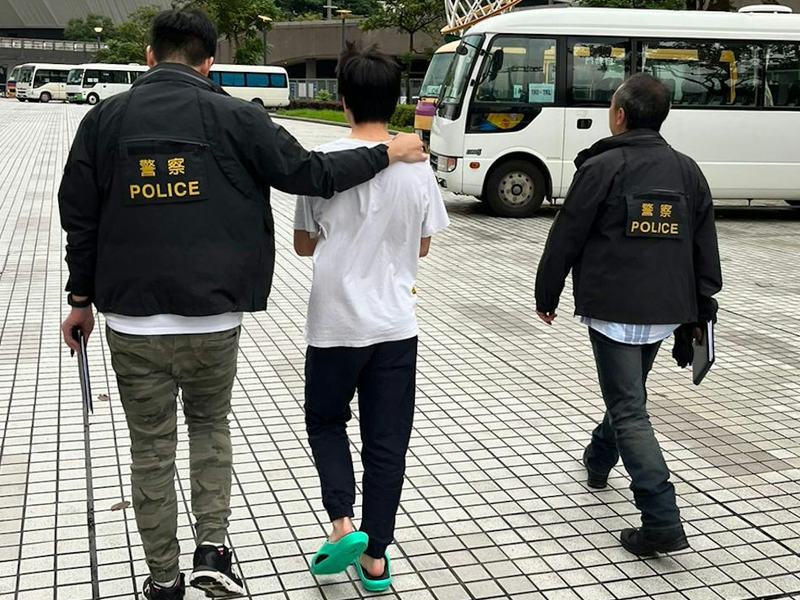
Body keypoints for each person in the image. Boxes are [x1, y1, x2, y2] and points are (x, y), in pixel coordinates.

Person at [58, 8, 426, 600]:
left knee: (150, 447)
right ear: (209, 63)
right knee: (209, 427)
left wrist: (80, 300)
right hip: (214, 316)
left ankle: (164, 578)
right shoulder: (235, 116)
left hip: (131, 319)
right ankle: (213, 551)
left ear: (150, 56)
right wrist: (388, 152)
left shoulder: (103, 120)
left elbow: (79, 217)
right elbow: (308, 172)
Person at [534, 73, 722, 556]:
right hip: (665, 310)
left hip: (614, 310)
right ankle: (599, 460)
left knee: (629, 407)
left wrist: (547, 292)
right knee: (628, 395)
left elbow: (566, 234)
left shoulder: (602, 167)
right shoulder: (687, 170)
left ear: (619, 115)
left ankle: (662, 520)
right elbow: (704, 247)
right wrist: (700, 311)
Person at [293, 44, 450, 592]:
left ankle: (342, 524)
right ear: (395, 100)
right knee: (387, 442)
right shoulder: (417, 167)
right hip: (395, 327)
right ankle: (376, 557)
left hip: (335, 322)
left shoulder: (323, 161)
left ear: (343, 101)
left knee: (326, 422)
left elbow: (303, 245)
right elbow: (424, 245)